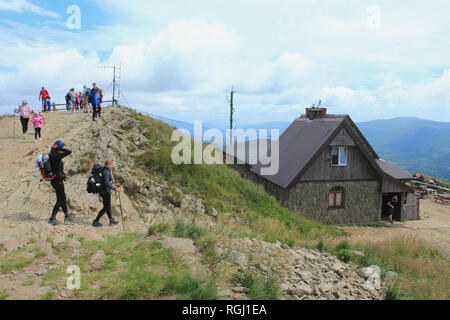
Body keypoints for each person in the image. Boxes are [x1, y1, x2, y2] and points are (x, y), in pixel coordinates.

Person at [48, 141, 74, 225]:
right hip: (57, 180)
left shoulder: (51, 155)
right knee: (60, 199)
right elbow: (69, 152)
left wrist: (55, 148)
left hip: (55, 180)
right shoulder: (56, 156)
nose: (63, 149)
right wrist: (58, 148)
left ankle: (66, 215)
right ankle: (52, 217)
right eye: (62, 147)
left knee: (63, 197)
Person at [92, 159, 120, 227]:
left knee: (107, 206)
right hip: (105, 191)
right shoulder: (106, 171)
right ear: (109, 164)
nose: (112, 166)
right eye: (112, 164)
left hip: (104, 191)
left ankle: (111, 220)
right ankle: (96, 221)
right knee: (106, 207)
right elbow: (107, 183)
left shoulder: (104, 170)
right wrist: (115, 189)